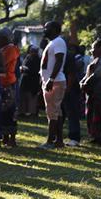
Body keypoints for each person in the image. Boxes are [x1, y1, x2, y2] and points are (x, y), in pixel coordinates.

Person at [39, 21, 68, 150]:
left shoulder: (58, 42)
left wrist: (51, 79)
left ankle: (50, 141)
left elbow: (59, 60)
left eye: (47, 28)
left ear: (55, 29)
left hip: (55, 81)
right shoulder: (52, 43)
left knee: (52, 112)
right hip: (50, 81)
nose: (45, 30)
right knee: (56, 111)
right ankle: (59, 141)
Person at [81, 38, 101, 147]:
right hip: (93, 93)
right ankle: (95, 136)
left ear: (100, 48)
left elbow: (99, 73)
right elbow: (88, 74)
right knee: (92, 115)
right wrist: (82, 82)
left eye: (93, 48)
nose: (92, 50)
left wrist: (87, 82)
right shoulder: (95, 59)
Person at [0, 28, 20, 148]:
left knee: (10, 111)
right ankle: (4, 137)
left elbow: (1, 63)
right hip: (0, 83)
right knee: (1, 111)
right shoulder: (1, 49)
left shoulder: (11, 49)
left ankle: (11, 139)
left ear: (5, 38)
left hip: (8, 83)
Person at [61, 41, 85, 147]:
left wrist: (68, 88)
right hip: (62, 87)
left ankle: (74, 137)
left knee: (72, 113)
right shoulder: (62, 55)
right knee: (61, 113)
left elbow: (71, 74)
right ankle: (58, 135)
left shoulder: (68, 56)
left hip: (69, 88)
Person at [19, 46, 41, 118]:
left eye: (34, 51)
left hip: (33, 80)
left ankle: (32, 112)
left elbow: (36, 70)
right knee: (23, 96)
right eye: (32, 51)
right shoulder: (28, 57)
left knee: (32, 97)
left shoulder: (38, 59)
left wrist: (27, 70)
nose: (32, 52)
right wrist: (22, 68)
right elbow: (23, 65)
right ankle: (22, 111)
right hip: (25, 79)